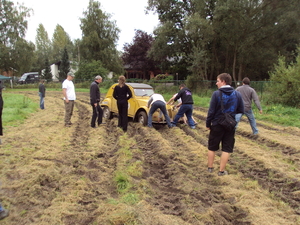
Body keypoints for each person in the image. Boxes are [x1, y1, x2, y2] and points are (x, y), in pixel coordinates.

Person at [206, 73, 244, 176]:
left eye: (217, 81)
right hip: (230, 125)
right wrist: (234, 122)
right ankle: (221, 171)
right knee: (227, 148)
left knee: (212, 147)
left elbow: (211, 111)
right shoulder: (237, 94)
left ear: (223, 81)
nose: (216, 83)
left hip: (217, 124)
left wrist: (208, 123)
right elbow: (241, 110)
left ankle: (210, 168)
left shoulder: (216, 94)